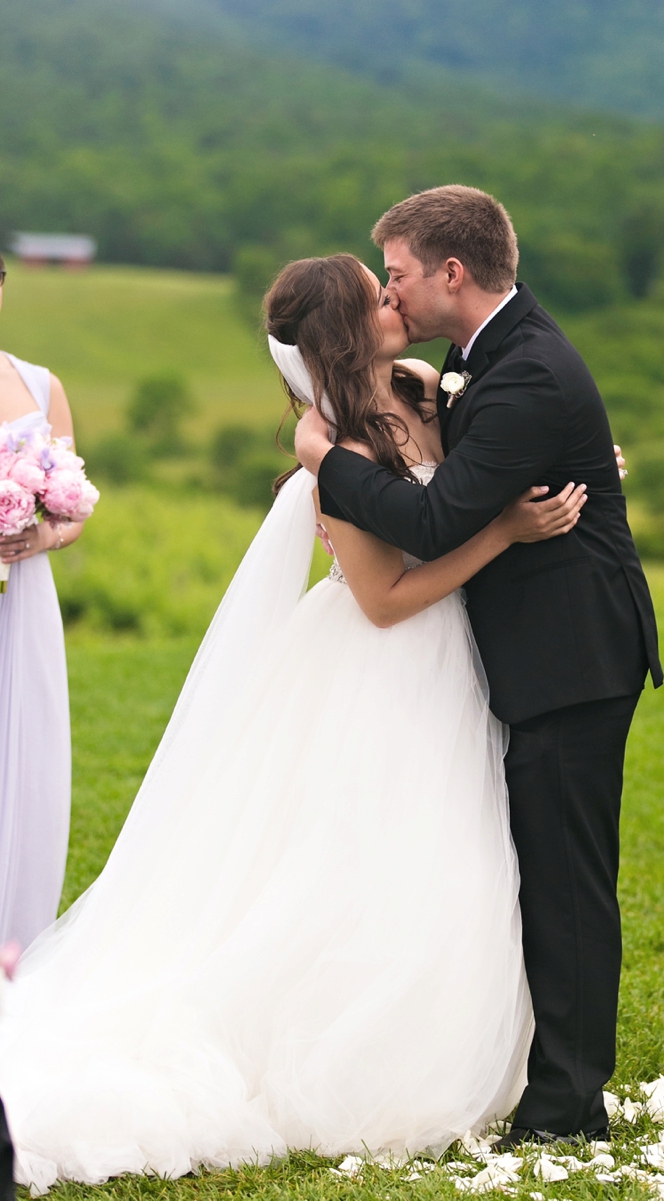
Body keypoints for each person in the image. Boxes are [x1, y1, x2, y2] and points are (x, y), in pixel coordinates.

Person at [0, 253, 586, 1193]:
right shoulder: (333, 455)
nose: (395, 299)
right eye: (377, 291)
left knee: (451, 858)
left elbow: (485, 458)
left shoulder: (420, 389)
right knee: (367, 861)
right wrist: (502, 536)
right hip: (384, 670)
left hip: (450, 670)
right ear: (349, 329)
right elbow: (385, 601)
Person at [295, 186, 663, 1147]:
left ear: (451, 274)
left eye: (401, 273)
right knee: (537, 873)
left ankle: (566, 1106)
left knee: (567, 883)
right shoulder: (475, 357)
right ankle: (551, 1087)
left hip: (573, 655)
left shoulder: (525, 371)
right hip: (534, 649)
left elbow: (427, 519)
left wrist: (321, 458)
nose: (392, 290)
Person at [0, 252, 83, 951]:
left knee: (25, 753)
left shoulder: (39, 383)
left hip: (22, 597)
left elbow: (77, 505)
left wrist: (42, 537)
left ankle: (18, 935)